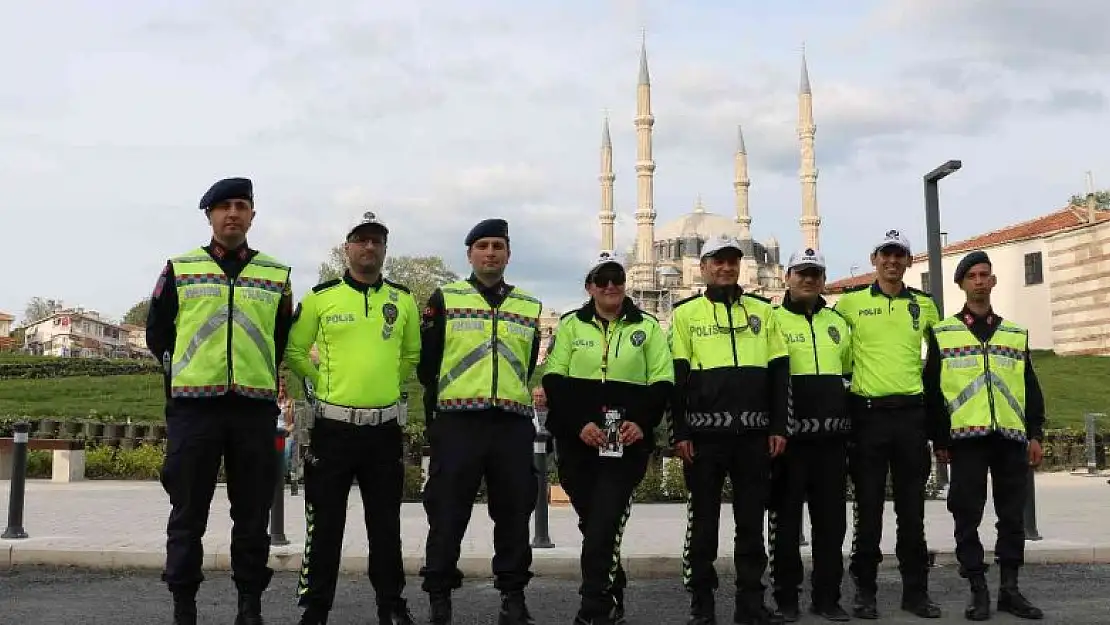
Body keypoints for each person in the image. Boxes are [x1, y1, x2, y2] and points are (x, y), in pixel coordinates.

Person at [146, 177, 294, 625]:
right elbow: (159, 333)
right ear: (209, 215)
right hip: (195, 408)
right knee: (188, 512)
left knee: (252, 515)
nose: (233, 213)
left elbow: (280, 336)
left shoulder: (276, 275)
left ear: (252, 215)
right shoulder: (180, 267)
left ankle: (250, 606)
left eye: (241, 205)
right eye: (224, 206)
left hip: (253, 408)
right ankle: (183, 607)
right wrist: (185, 375)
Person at [284, 212, 420, 625]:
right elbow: (293, 352)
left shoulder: (403, 299)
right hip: (333, 429)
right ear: (347, 248)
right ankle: (315, 607)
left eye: (377, 241)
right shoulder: (322, 297)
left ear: (384, 249)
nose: (369, 248)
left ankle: (391, 605)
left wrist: (384, 389)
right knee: (323, 525)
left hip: (383, 430)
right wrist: (319, 382)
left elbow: (411, 356)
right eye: (361, 241)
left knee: (386, 525)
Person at [416, 218, 543, 625]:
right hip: (459, 423)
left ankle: (513, 596)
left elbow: (527, 364)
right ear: (469, 254)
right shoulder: (445, 298)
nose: (491, 253)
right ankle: (439, 597)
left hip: (511, 422)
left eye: (498, 246)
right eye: (483, 246)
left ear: (509, 254)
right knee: (448, 512)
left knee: (513, 514)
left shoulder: (528, 306)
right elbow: (428, 365)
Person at [538, 251, 674, 625]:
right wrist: (579, 423)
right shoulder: (570, 325)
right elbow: (554, 379)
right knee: (594, 524)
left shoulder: (646, 327)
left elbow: (662, 381)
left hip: (626, 443)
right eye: (603, 280)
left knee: (603, 524)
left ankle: (593, 606)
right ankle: (614, 588)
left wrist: (642, 423)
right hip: (578, 442)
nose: (611, 286)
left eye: (617, 278)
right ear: (590, 287)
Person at [668, 234, 790, 625]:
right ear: (702, 268)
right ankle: (702, 605)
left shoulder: (763, 311)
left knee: (751, 524)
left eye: (732, 261)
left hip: (754, 437)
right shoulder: (686, 314)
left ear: (741, 266)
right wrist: (681, 433)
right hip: (704, 440)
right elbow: (676, 381)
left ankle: (750, 604)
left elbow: (778, 373)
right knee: (703, 526)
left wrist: (778, 426)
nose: (725, 268)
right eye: (717, 262)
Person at [925, 251, 1045, 621]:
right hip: (966, 440)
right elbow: (931, 391)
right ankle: (977, 588)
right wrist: (940, 439)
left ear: (992, 282)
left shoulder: (1014, 333)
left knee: (1012, 516)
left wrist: (1035, 433)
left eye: (985, 275)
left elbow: (1030, 387)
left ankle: (1009, 589)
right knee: (966, 514)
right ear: (961, 283)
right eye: (972, 276)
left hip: (1010, 438)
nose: (979, 281)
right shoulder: (943, 333)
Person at [831, 229, 942, 619]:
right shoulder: (850, 303)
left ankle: (916, 592)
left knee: (912, 512)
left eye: (900, 255)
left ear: (909, 262)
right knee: (869, 510)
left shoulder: (925, 306)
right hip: (868, 417)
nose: (893, 261)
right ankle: (865, 592)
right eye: (886, 254)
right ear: (874, 258)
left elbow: (939, 363)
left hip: (911, 416)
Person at [767, 248, 852, 622]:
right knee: (785, 525)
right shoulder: (770, 321)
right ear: (787, 277)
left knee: (831, 525)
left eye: (815, 273)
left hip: (831, 442)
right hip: (789, 443)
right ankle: (786, 598)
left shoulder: (837, 324)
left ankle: (827, 598)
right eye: (801, 273)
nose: (808, 279)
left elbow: (848, 374)